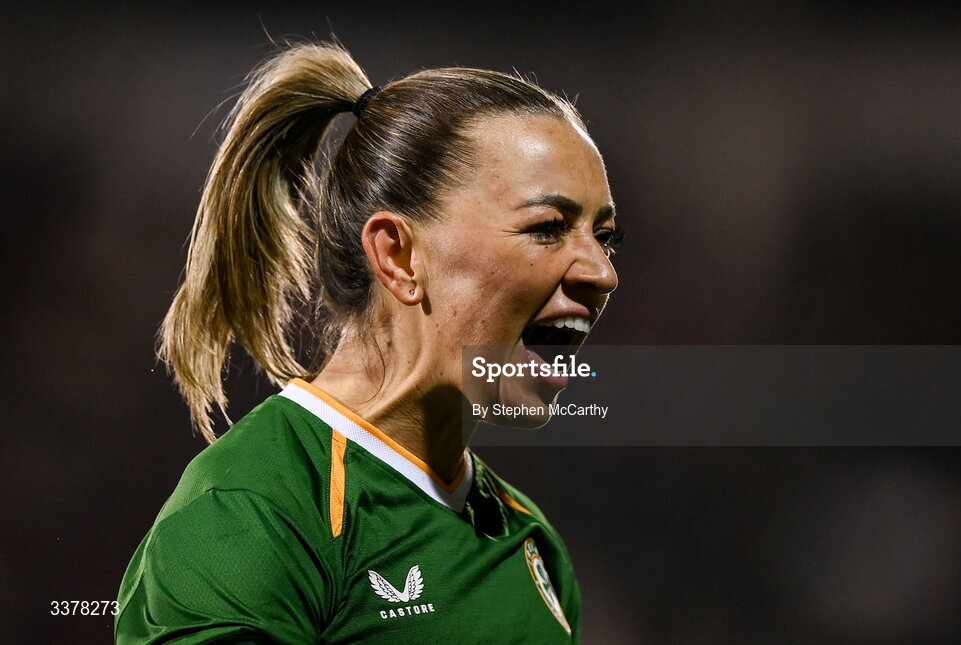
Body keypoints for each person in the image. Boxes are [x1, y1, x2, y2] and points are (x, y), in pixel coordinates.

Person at [115, 40, 621, 644]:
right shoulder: (251, 514)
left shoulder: (532, 545)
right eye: (548, 228)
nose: (602, 272)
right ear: (399, 255)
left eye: (604, 237)